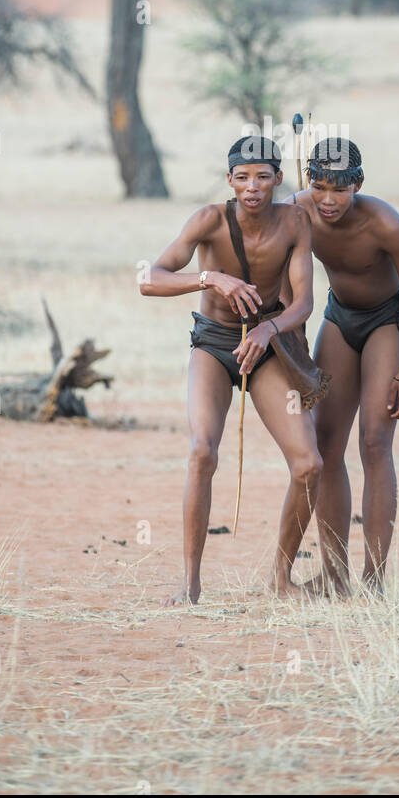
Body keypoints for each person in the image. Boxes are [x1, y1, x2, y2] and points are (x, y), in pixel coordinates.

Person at [140, 135, 327, 605]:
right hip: (213, 344)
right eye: (242, 178)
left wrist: (268, 331)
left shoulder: (295, 221)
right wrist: (211, 278)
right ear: (229, 181)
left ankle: (281, 580)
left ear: (278, 180)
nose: (253, 187)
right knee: (203, 452)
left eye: (263, 177)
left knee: (309, 464)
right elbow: (149, 278)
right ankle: (190, 585)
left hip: (267, 347)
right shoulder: (208, 220)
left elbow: (303, 301)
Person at [286, 137, 399, 593]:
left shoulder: (384, 222)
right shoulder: (297, 211)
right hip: (339, 317)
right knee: (325, 444)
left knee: (374, 442)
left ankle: (375, 579)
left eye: (339, 190)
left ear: (358, 185)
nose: (328, 200)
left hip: (386, 320)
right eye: (320, 186)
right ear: (310, 180)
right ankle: (333, 574)